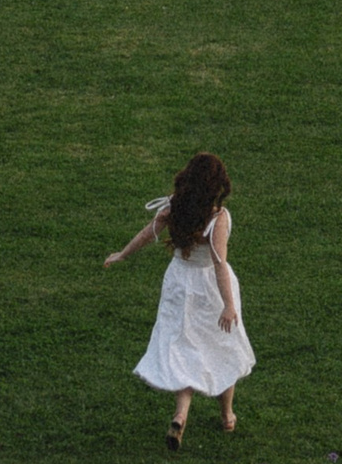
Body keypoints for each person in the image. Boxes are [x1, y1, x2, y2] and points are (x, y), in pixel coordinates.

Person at [105, 151, 254, 449]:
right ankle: (227, 416)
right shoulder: (218, 217)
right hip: (209, 287)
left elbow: (149, 233)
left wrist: (123, 253)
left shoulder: (176, 206)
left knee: (184, 347)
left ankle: (180, 415)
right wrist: (227, 304)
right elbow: (219, 263)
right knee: (222, 346)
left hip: (178, 283)